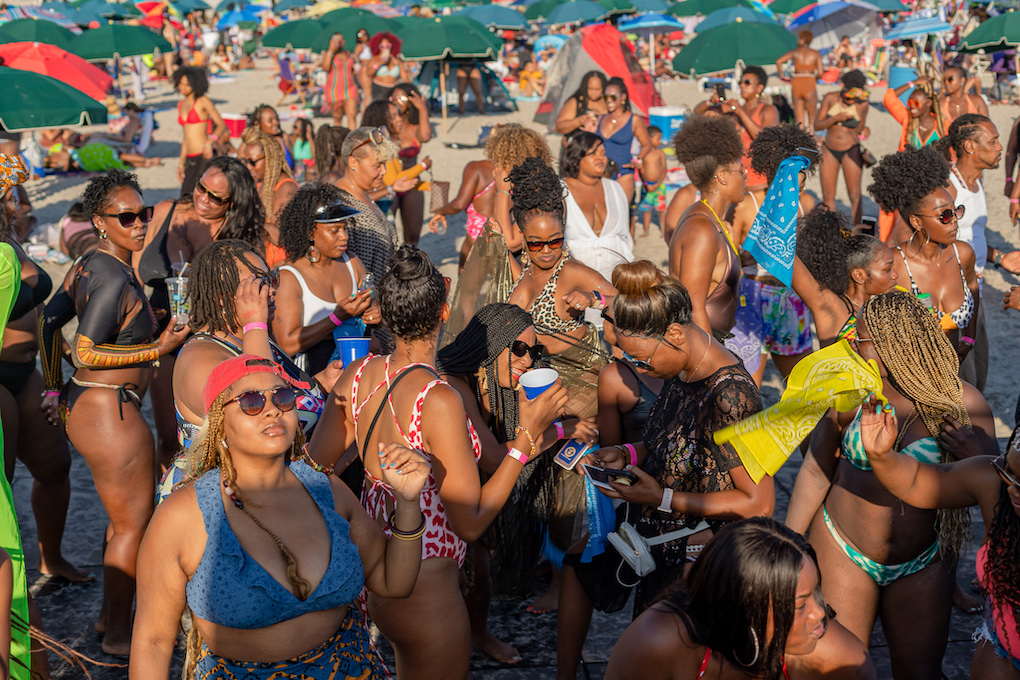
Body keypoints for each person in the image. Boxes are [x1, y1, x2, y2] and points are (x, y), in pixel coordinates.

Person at [305, 246, 570, 680]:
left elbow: (314, 468)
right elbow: (470, 523)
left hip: (376, 573)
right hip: (425, 585)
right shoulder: (439, 399)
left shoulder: (358, 376)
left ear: (386, 313)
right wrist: (526, 437)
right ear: (444, 310)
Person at [130, 354, 431, 679]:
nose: (273, 408)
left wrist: (409, 501)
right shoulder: (181, 516)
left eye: (284, 397)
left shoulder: (327, 489)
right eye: (250, 401)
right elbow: (153, 642)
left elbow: (392, 582)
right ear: (220, 423)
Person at [786, 290, 998, 680]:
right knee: (837, 667)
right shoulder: (849, 392)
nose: (849, 341)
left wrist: (979, 449)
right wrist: (789, 543)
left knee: (919, 672)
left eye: (859, 336)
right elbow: (817, 470)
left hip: (925, 557)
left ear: (892, 345)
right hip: (842, 546)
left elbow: (994, 493)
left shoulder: (961, 403)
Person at [38, 170, 190, 655]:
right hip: (110, 413)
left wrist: (52, 390)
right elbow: (86, 350)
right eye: (126, 217)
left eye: (144, 214)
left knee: (123, 516)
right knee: (133, 524)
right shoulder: (110, 276)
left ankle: (109, 618)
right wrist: (156, 349)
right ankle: (121, 635)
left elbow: (47, 321)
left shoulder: (89, 262)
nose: (140, 224)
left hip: (91, 406)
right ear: (101, 222)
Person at [581, 260, 769, 614]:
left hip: (700, 571)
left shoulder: (731, 397)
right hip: (664, 556)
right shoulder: (682, 370)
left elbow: (759, 502)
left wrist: (662, 498)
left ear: (675, 334)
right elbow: (682, 441)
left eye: (641, 360)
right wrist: (628, 452)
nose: (639, 368)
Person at [437, 303, 596, 665]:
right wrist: (558, 430)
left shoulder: (496, 381)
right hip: (438, 496)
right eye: (519, 349)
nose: (527, 360)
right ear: (491, 347)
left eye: (534, 350)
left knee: (480, 572)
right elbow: (494, 457)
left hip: (472, 491)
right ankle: (461, 639)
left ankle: (475, 633)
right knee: (466, 576)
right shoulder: (453, 385)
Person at [859, 397, 1020, 677]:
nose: (1012, 489)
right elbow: (916, 482)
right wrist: (881, 456)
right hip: (1000, 648)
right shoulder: (994, 481)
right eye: (1010, 471)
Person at [605, 518, 876, 680]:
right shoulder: (659, 642)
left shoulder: (839, 659)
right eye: (799, 605)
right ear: (746, 609)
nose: (819, 614)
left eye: (816, 593)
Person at [138, 157, 265, 472]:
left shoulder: (235, 236)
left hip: (208, 339)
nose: (203, 199)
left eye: (215, 197)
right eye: (200, 188)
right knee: (167, 436)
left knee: (207, 435)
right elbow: (136, 272)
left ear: (234, 204)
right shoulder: (167, 211)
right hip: (158, 333)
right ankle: (166, 499)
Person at [0, 159, 89, 584]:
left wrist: (62, 346)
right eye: (13, 192)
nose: (21, 199)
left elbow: (31, 303)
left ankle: (49, 558)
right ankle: (11, 582)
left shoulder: (10, 238)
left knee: (54, 467)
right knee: (4, 486)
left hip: (26, 371)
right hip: (0, 376)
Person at [727, 124, 818, 383]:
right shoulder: (746, 205)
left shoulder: (807, 204)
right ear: (774, 176)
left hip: (790, 298)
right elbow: (729, 261)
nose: (796, 192)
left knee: (801, 382)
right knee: (746, 385)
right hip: (751, 297)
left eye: (801, 185)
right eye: (791, 185)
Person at [868, 146, 979, 358]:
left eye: (956, 211)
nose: (954, 220)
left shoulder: (962, 254)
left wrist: (969, 338)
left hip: (954, 372)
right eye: (945, 216)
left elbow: (973, 285)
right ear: (916, 221)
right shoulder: (894, 265)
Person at [938, 114, 1018, 394]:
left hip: (975, 293)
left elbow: (971, 238)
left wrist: (998, 258)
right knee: (962, 388)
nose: (1000, 148)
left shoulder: (974, 182)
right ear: (970, 146)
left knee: (978, 376)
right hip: (953, 302)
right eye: (993, 141)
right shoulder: (948, 186)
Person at [274, 183, 380, 375]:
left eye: (345, 229)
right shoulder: (289, 276)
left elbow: (375, 307)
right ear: (309, 232)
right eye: (334, 231)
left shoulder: (352, 262)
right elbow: (287, 343)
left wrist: (376, 315)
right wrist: (337, 317)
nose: (344, 237)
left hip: (356, 372)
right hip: (312, 379)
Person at [429, 123, 551, 266]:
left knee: (468, 284)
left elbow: (459, 204)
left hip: (481, 237)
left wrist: (440, 211)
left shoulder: (477, 168)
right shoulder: (527, 179)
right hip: (509, 241)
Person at [668, 115, 745, 337]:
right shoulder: (701, 229)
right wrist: (711, 362)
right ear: (722, 177)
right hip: (703, 346)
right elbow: (692, 309)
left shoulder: (711, 220)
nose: (745, 178)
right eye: (741, 171)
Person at [791, 206, 897, 345]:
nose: (895, 275)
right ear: (858, 275)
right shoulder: (832, 308)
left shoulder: (884, 308)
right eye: (887, 269)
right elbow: (789, 260)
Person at [560, 131, 633, 285]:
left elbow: (625, 237)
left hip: (617, 281)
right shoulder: (560, 191)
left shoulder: (615, 188)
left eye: (603, 153)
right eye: (593, 153)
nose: (601, 158)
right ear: (577, 157)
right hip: (576, 282)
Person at [694, 65, 777, 192]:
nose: (742, 85)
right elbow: (699, 113)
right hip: (736, 182)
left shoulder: (768, 110)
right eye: (740, 82)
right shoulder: (733, 110)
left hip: (760, 182)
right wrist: (710, 102)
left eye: (747, 82)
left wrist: (741, 112)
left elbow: (765, 139)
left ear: (759, 88)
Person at [333, 127, 399, 285]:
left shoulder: (363, 194)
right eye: (377, 165)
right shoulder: (340, 205)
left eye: (384, 164)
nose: (384, 171)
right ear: (353, 163)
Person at [814, 70, 870, 226]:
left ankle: (857, 230)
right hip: (829, 149)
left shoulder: (862, 104)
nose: (852, 98)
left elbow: (860, 128)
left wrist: (866, 131)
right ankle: (829, 230)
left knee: (855, 195)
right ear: (844, 88)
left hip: (851, 149)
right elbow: (817, 124)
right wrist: (836, 118)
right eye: (849, 94)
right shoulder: (831, 98)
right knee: (828, 196)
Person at [238, 127, 298, 267]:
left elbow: (282, 238)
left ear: (270, 158)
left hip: (282, 267)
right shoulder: (261, 184)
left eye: (252, 162)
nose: (248, 167)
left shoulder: (287, 187)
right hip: (266, 263)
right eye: (245, 162)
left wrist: (250, 221)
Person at [172, 66, 229, 197]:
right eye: (180, 83)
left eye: (187, 85)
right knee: (186, 195)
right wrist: (181, 163)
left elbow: (221, 125)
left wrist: (210, 142)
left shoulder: (203, 101)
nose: (182, 87)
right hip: (189, 158)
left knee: (199, 194)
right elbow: (185, 137)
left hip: (204, 155)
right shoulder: (181, 104)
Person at [389, 83, 433, 245]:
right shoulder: (386, 128)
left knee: (413, 237)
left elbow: (426, 136)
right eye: (393, 98)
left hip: (414, 184)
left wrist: (422, 109)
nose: (396, 101)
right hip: (389, 183)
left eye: (401, 98)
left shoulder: (415, 129)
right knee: (387, 235)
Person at [596, 78, 651, 205]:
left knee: (622, 212)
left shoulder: (634, 119)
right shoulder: (601, 118)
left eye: (613, 97)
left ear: (623, 97)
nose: (609, 100)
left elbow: (647, 144)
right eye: (606, 97)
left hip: (624, 171)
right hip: (602, 172)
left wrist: (638, 160)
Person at [775, 30, 824, 132]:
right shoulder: (816, 53)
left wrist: (782, 76)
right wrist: (815, 79)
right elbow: (820, 72)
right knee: (811, 121)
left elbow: (778, 61)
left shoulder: (795, 52)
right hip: (809, 81)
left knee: (799, 122)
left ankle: (799, 143)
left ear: (802, 39)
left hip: (797, 81)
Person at [43, 141, 161, 172]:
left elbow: (65, 168)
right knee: (121, 156)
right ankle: (147, 161)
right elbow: (73, 148)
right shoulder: (56, 148)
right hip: (88, 154)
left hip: (87, 165)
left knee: (121, 161)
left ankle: (144, 164)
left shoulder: (50, 163)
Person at [320, 33, 358, 129]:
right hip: (334, 90)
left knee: (352, 115)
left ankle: (352, 141)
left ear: (343, 42)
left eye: (340, 40)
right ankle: (338, 139)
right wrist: (331, 50)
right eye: (335, 40)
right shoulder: (328, 55)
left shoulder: (348, 54)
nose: (338, 42)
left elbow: (352, 70)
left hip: (349, 88)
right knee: (337, 118)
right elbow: (326, 68)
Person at [554, 71, 609, 135]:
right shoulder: (577, 102)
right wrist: (578, 121)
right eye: (590, 88)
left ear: (603, 88)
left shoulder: (608, 102)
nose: (594, 92)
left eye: (597, 89)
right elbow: (559, 126)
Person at [637, 126, 667, 238]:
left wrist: (658, 184)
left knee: (661, 210)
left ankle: (663, 231)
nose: (660, 141)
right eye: (658, 139)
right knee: (646, 210)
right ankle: (646, 231)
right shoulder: (643, 153)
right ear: (649, 138)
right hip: (647, 186)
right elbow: (640, 170)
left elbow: (664, 170)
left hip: (659, 186)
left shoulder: (660, 153)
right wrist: (645, 184)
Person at [246, 104, 294, 173]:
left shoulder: (283, 137)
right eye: (270, 121)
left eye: (276, 119)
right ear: (257, 124)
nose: (276, 123)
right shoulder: (254, 143)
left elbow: (293, 165)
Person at [368, 33, 409, 102]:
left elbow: (404, 77)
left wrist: (411, 88)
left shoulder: (396, 60)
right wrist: (379, 63)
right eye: (382, 46)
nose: (385, 48)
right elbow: (369, 73)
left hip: (392, 89)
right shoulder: (375, 59)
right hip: (378, 88)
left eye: (388, 46)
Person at [288, 117, 315, 182]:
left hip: (310, 172)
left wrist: (309, 138)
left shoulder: (311, 141)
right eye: (293, 126)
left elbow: (314, 155)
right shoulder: (293, 139)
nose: (293, 129)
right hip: (297, 172)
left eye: (296, 127)